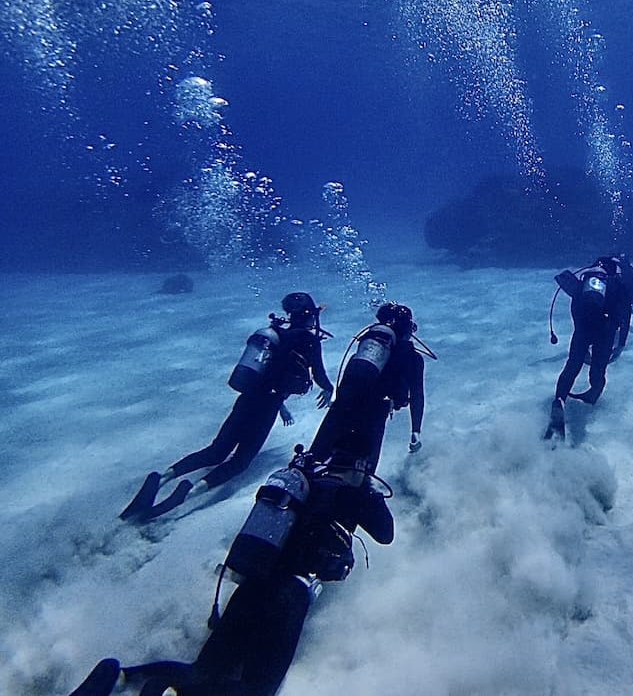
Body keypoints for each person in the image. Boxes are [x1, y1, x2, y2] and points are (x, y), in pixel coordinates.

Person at [68, 445, 395, 696]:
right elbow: (385, 533)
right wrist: (369, 490)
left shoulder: (303, 483)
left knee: (205, 669)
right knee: (258, 689)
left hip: (253, 581)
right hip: (290, 596)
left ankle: (121, 675)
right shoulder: (353, 494)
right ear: (361, 467)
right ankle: (166, 693)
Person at [120, 293, 335, 522]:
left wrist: (281, 404)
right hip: (267, 406)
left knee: (216, 450)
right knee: (240, 461)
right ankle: (188, 493)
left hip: (248, 398)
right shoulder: (308, 340)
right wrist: (329, 388)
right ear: (308, 315)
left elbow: (271, 371)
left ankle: (162, 477)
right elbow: (318, 374)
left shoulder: (277, 333)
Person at [546, 254, 633, 439]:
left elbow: (576, 308)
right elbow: (625, 318)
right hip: (606, 330)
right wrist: (621, 344)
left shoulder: (584, 284)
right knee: (598, 370)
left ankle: (560, 399)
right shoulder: (619, 285)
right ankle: (591, 398)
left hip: (583, 326)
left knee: (572, 365)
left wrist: (580, 332)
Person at [307, 302, 430, 475]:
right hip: (376, 410)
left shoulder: (365, 346)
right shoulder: (413, 358)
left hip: (344, 402)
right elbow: (417, 396)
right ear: (408, 328)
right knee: (361, 472)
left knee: (313, 459)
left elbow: (350, 378)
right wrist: (415, 430)